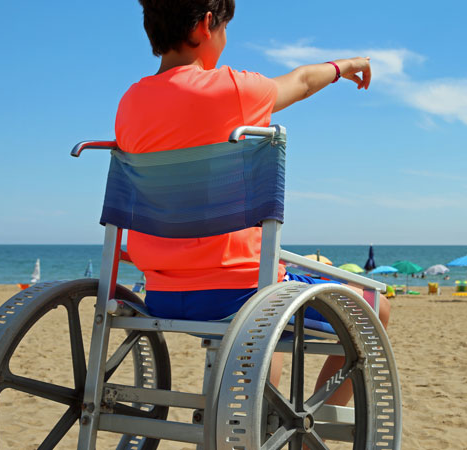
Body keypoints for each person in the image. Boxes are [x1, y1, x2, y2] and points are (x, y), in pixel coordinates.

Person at [118, 0, 388, 407]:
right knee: (375, 310)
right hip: (237, 293)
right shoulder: (230, 90)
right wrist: (346, 65)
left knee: (271, 300)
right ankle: (307, 424)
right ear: (207, 25)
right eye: (226, 28)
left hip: (161, 292)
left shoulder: (131, 102)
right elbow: (301, 80)